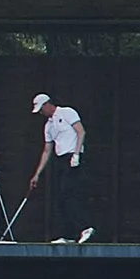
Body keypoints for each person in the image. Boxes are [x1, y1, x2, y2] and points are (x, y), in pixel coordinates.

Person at [28, 94, 93, 244]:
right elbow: (47, 150)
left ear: (47, 104)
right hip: (61, 159)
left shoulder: (67, 112)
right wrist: (37, 174)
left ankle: (85, 227)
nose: (41, 113)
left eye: (41, 109)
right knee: (60, 197)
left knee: (68, 193)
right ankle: (68, 235)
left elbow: (81, 132)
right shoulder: (48, 126)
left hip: (73, 157)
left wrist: (76, 154)